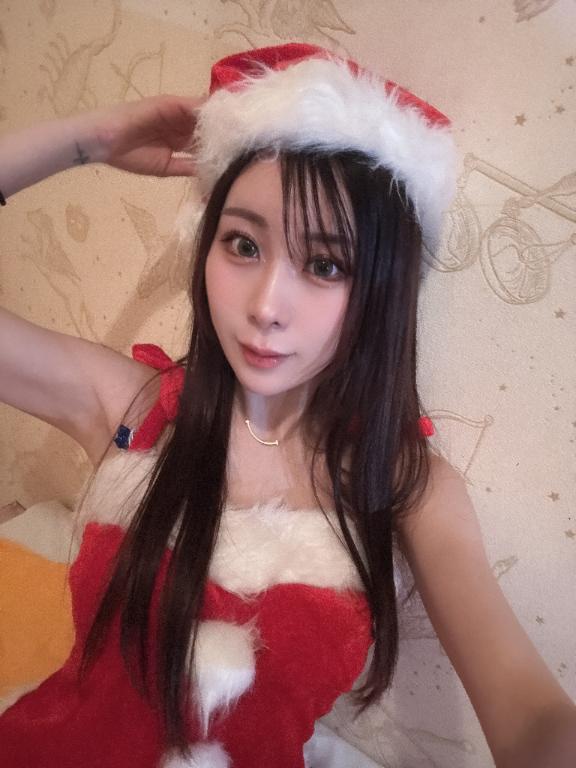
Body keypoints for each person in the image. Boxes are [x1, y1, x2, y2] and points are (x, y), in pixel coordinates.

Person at [0, 43, 575, 768]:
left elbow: (532, 717)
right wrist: (94, 137)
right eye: (243, 245)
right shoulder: (134, 411)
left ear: (382, 291)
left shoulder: (404, 485)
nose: (267, 306)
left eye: (326, 264)